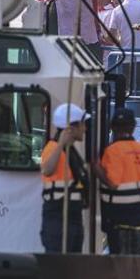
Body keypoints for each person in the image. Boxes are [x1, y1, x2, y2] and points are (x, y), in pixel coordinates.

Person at [96, 109, 140, 256]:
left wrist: (96, 169)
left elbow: (113, 184)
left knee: (119, 259)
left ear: (112, 128)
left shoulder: (111, 151)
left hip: (118, 219)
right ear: (133, 127)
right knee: (139, 259)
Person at [39, 104, 89, 253]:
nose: (85, 129)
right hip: (58, 218)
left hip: (73, 215)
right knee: (58, 264)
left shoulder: (72, 152)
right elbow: (47, 170)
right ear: (71, 128)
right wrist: (61, 143)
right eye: (82, 124)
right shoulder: (52, 148)